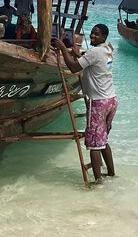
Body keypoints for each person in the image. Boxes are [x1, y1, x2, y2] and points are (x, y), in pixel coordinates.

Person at [52, 24, 117, 184]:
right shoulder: (107, 49)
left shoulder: (94, 52)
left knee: (94, 144)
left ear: (103, 37)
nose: (92, 36)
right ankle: (111, 174)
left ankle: (98, 181)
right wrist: (77, 53)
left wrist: (63, 49)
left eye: (96, 34)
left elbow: (74, 68)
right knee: (103, 140)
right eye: (92, 33)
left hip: (98, 102)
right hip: (111, 99)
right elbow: (90, 59)